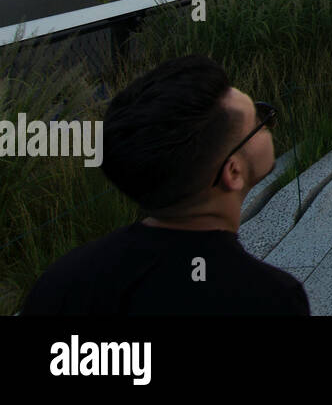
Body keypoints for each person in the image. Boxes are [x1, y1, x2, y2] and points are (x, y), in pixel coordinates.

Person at [22, 55, 309, 315]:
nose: (268, 121)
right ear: (233, 172)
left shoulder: (62, 281)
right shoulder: (271, 299)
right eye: (261, 119)